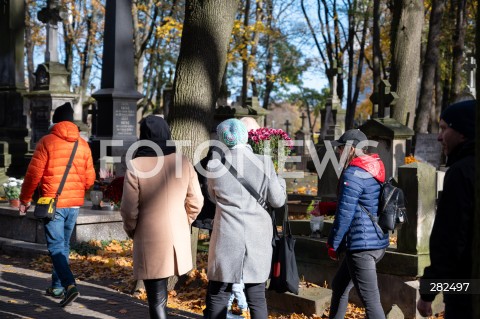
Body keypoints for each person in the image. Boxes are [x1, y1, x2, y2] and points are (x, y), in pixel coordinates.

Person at [120, 115, 204, 319]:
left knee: (156, 298)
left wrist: (132, 229)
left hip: (149, 237)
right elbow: (196, 200)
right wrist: (184, 222)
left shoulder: (136, 165)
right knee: (160, 295)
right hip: (176, 236)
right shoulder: (182, 162)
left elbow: (129, 209)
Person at [203, 118, 286, 319]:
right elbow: (277, 200)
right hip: (257, 236)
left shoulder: (214, 165)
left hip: (226, 235)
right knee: (256, 296)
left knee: (218, 294)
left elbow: (212, 197)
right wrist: (280, 181)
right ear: (246, 136)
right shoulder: (264, 162)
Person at [19, 102, 96, 307]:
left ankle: (70, 286)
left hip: (52, 202)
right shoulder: (83, 144)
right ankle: (57, 286)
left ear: (56, 121)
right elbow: (90, 179)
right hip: (74, 205)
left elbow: (33, 174)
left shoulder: (46, 142)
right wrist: (78, 190)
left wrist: (25, 199)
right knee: (63, 245)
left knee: (55, 247)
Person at [417, 99, 476, 319]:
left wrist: (428, 293)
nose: (439, 136)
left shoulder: (462, 172)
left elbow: (450, 239)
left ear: (463, 131)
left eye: (444, 128)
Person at [327, 129, 389, 319]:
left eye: (341, 148)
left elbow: (344, 214)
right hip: (375, 240)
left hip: (361, 246)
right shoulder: (374, 167)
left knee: (371, 303)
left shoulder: (353, 173)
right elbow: (362, 202)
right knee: (339, 285)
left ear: (351, 149)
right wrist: (326, 207)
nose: (338, 152)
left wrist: (333, 244)